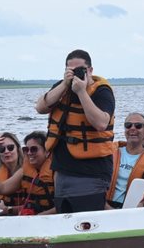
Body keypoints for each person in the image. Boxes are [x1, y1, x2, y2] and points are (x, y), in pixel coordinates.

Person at [35, 49, 116, 213]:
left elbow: (101, 123)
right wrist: (65, 84)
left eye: (81, 70)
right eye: (71, 70)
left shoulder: (102, 91)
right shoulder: (61, 87)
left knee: (88, 219)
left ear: (90, 70)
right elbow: (41, 107)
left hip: (91, 173)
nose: (76, 74)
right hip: (62, 170)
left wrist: (81, 92)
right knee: (64, 216)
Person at [0, 131, 56, 214]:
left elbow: (63, 206)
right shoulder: (24, 170)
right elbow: (2, 189)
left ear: (47, 151)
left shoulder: (57, 172)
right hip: (32, 217)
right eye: (26, 149)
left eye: (34, 149)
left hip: (51, 219)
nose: (29, 153)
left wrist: (39, 217)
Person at [107, 113, 144, 208]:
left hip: (135, 211)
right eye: (128, 125)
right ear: (125, 130)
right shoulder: (110, 152)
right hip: (105, 206)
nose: (132, 128)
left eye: (138, 126)